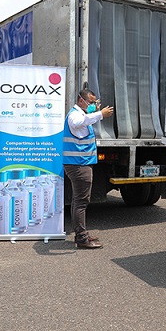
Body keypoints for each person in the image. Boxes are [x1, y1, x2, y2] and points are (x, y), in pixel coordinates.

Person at [64, 89, 114, 249]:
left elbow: (85, 121)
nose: (93, 105)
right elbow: (77, 122)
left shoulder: (82, 115)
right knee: (81, 201)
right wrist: (100, 114)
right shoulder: (74, 115)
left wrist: (96, 114)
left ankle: (81, 234)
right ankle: (81, 238)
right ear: (81, 101)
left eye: (95, 102)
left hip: (81, 163)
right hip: (78, 165)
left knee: (79, 201)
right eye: (91, 102)